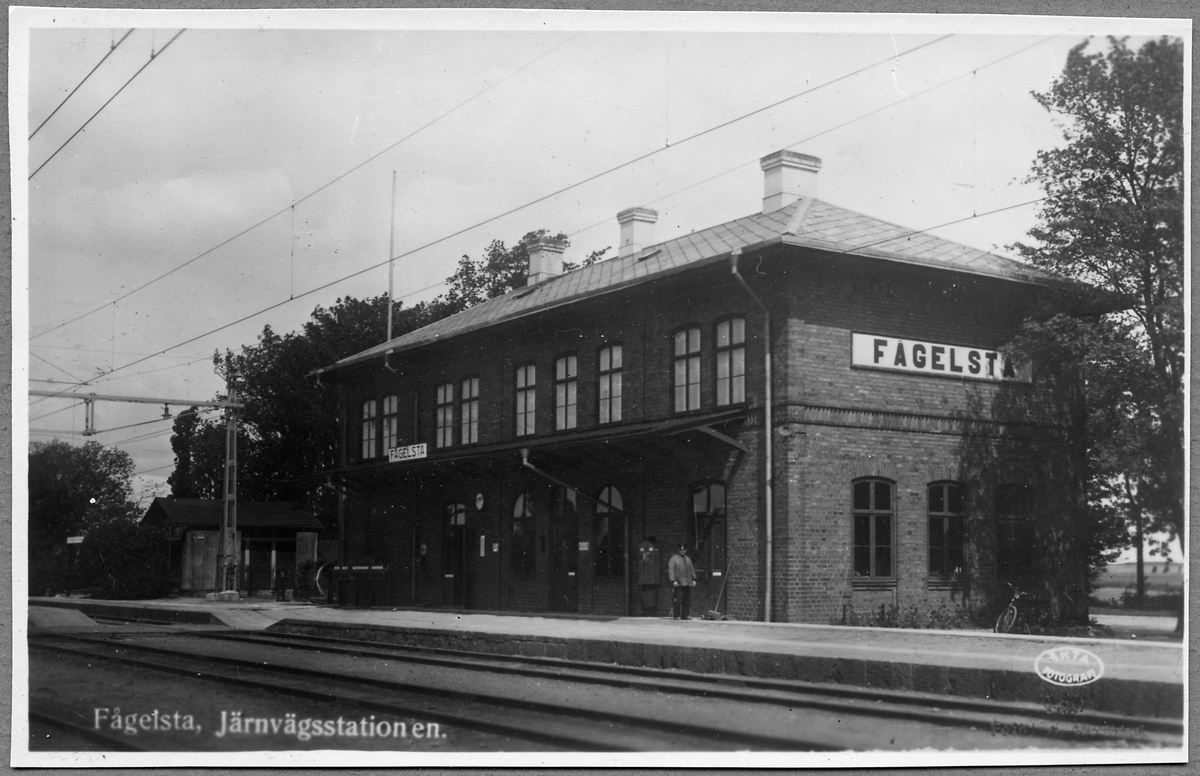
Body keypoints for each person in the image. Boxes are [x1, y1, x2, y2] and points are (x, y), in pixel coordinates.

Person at [668, 543, 697, 620]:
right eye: (681, 549)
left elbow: (691, 569)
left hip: (687, 582)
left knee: (687, 600)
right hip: (678, 583)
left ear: (686, 550)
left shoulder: (688, 559)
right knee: (677, 600)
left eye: (684, 549)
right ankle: (676, 615)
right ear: (678, 550)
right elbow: (671, 570)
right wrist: (673, 580)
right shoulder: (674, 559)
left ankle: (685, 614)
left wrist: (694, 579)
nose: (682, 551)